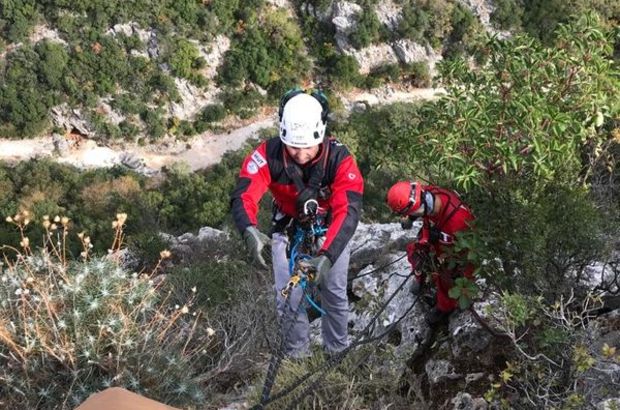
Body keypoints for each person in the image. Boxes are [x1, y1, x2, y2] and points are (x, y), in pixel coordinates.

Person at [230, 88, 364, 358]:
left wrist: (327, 256)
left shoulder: (339, 159)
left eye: (307, 147)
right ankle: (297, 356)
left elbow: (347, 211)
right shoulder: (268, 154)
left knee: (334, 291)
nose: (301, 154)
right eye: (294, 147)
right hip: (288, 226)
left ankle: (336, 354)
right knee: (287, 297)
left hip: (327, 226)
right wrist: (249, 230)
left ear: (321, 135)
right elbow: (244, 193)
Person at [386, 180, 475, 324]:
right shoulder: (426, 194)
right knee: (415, 251)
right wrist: (411, 218)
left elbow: (470, 258)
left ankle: (444, 308)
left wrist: (464, 279)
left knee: (445, 276)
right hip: (434, 234)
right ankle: (420, 277)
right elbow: (418, 203)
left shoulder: (459, 221)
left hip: (452, 249)